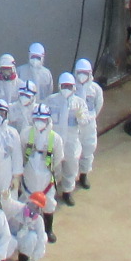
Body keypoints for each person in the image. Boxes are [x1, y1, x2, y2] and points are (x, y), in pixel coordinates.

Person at [22, 109, 63, 241]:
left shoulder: (55, 138)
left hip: (46, 176)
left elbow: (58, 158)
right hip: (29, 174)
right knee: (26, 200)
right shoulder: (26, 133)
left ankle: (48, 228)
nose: (39, 123)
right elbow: (21, 150)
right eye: (37, 119)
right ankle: (26, 226)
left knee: (49, 202)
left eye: (42, 120)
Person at [45, 74, 85, 204]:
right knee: (53, 168)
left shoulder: (79, 103)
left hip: (71, 142)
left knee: (71, 167)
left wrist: (79, 116)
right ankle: (52, 191)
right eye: (64, 86)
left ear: (73, 87)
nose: (66, 88)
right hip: (55, 141)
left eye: (69, 86)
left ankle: (67, 191)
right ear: (59, 86)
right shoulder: (51, 101)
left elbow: (85, 121)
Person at [72, 58, 103, 189]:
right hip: (75, 125)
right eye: (80, 72)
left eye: (85, 72)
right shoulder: (71, 87)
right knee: (73, 153)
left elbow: (98, 105)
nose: (82, 75)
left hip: (89, 126)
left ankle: (84, 175)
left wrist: (91, 117)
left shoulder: (95, 89)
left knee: (88, 149)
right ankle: (70, 180)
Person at [12, 191, 49, 261]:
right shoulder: (17, 209)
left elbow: (41, 239)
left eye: (37, 207)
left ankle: (24, 256)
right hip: (12, 238)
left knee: (33, 236)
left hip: (24, 240)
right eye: (32, 204)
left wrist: (35, 259)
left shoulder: (39, 220)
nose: (33, 208)